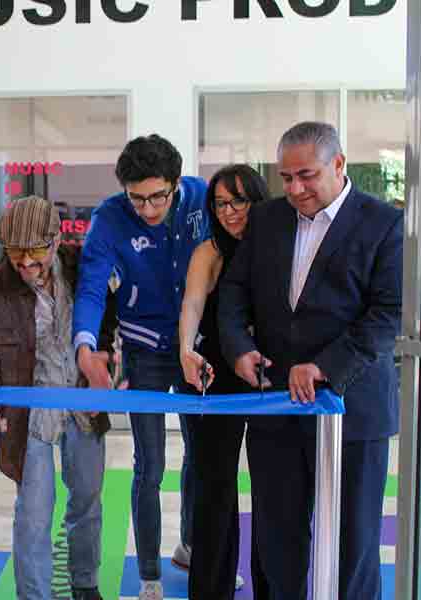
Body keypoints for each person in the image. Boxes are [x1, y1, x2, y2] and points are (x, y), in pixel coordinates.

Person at [219, 121, 403, 600]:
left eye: (307, 175)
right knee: (277, 542)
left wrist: (325, 365)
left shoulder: (385, 223)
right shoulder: (266, 219)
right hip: (277, 409)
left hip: (354, 412)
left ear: (339, 164)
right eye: (285, 177)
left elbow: (390, 314)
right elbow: (235, 291)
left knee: (353, 546)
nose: (295, 188)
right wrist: (239, 347)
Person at [72, 134, 210, 600]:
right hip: (145, 351)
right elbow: (92, 286)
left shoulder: (201, 199)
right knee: (149, 465)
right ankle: (149, 571)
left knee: (202, 456)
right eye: (138, 198)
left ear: (175, 183)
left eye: (158, 196)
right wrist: (86, 346)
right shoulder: (110, 218)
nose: (148, 209)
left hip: (196, 348)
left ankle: (192, 546)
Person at [0, 195, 119, 600]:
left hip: (83, 403)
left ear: (54, 243)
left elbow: (106, 324)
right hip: (29, 411)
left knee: (87, 498)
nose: (28, 268)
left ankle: (85, 584)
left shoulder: (82, 269)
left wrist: (109, 358)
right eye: (18, 259)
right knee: (33, 513)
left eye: (37, 257)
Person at [174, 164, 270, 598]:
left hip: (271, 382)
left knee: (274, 489)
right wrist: (185, 350)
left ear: (257, 200)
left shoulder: (277, 247)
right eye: (219, 204)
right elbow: (192, 305)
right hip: (215, 378)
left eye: (238, 201)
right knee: (215, 491)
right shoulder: (208, 251)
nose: (229, 212)